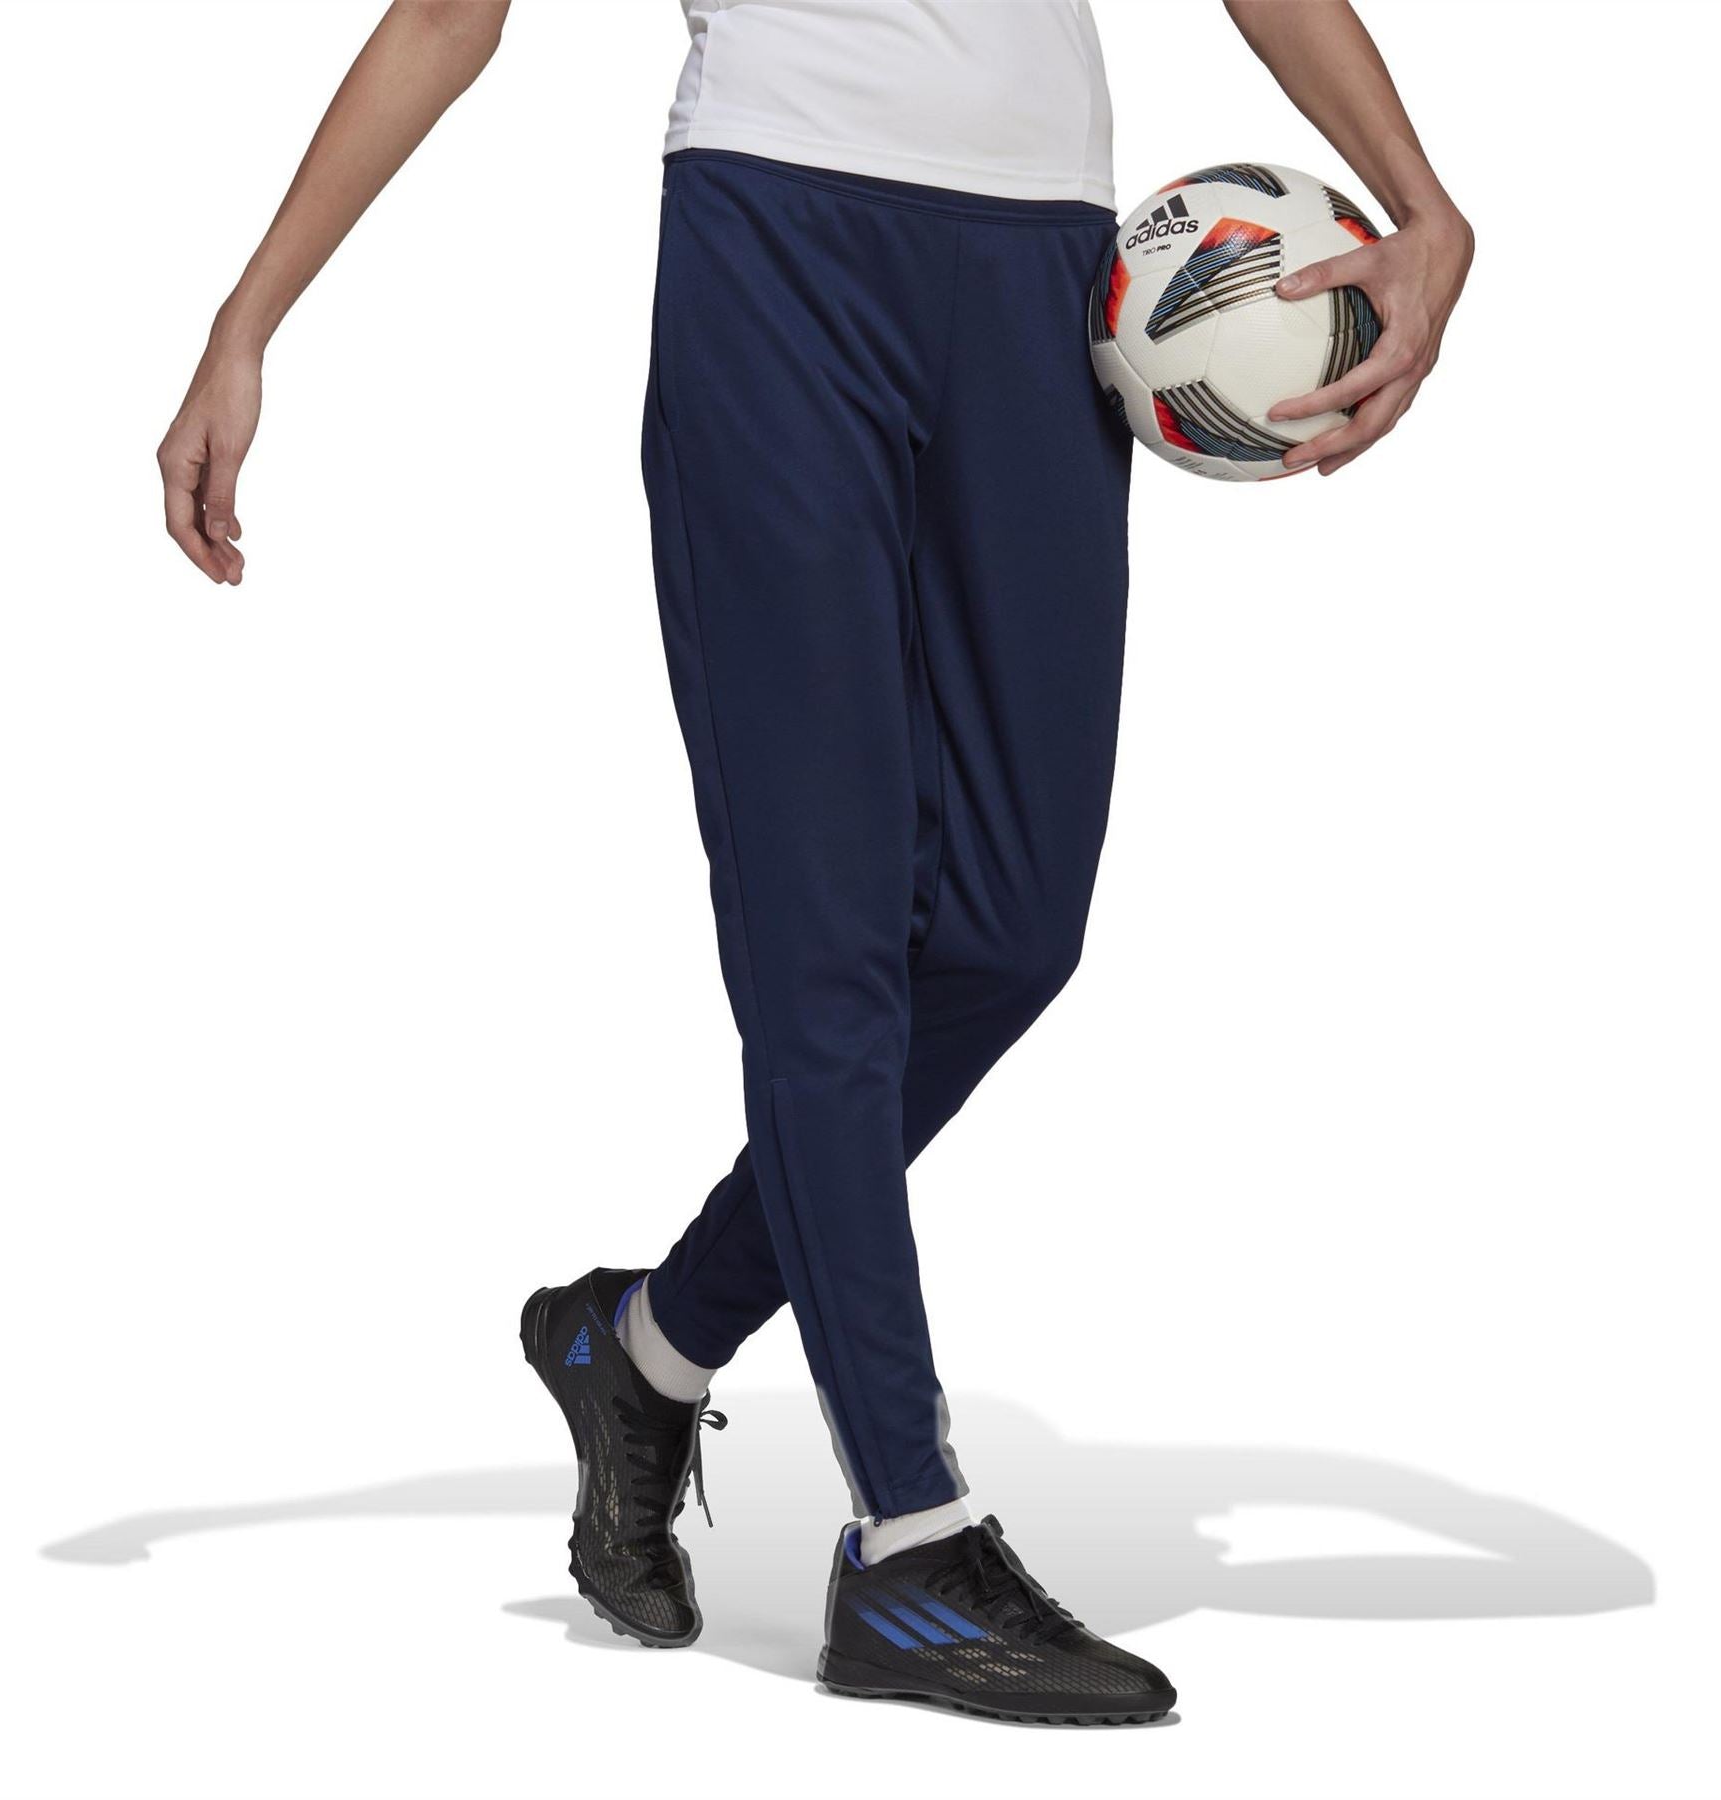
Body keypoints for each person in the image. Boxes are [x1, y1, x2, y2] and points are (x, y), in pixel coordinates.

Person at [159, 0, 1471, 1725]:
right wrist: (247, 322)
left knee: (1010, 932)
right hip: (780, 241)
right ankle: (912, 1541)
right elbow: (452, 15)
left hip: (1042, 271)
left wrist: (1423, 204)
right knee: (825, 948)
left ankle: (642, 1348)